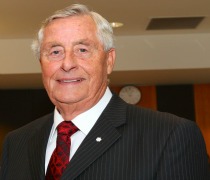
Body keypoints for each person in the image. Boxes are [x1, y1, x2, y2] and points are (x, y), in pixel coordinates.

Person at [0, 4, 209, 180]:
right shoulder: (17, 143)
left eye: (82, 50)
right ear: (41, 63)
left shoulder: (169, 136)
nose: (67, 63)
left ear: (109, 61)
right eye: (55, 52)